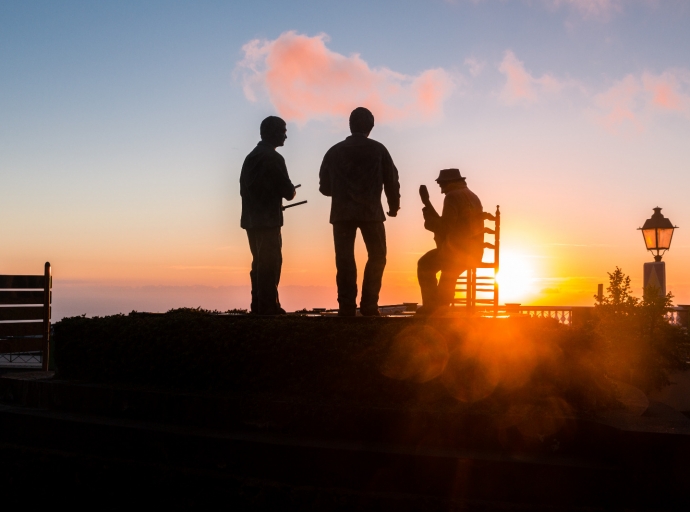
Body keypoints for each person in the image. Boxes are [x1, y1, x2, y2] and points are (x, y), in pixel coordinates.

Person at [319, 107, 401, 316]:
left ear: (350, 125)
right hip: (371, 213)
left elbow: (325, 188)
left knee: (344, 259)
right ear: (370, 127)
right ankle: (369, 304)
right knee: (377, 256)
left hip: (342, 214)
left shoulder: (334, 151)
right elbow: (392, 180)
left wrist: (342, 191)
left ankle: (346, 306)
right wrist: (393, 205)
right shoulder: (378, 150)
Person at [240, 116, 297, 315]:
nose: (286, 136)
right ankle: (269, 307)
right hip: (269, 221)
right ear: (273, 132)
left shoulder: (250, 157)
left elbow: (245, 190)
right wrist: (291, 190)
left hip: (251, 220)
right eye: (283, 131)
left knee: (258, 262)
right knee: (271, 263)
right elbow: (288, 192)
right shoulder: (274, 158)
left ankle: (258, 305)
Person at [416, 168, 484, 314]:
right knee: (444, 270)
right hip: (474, 251)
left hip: (457, 252)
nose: (441, 191)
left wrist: (428, 216)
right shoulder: (473, 196)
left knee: (424, 264)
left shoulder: (452, 197)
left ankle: (433, 306)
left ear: (450, 183)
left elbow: (445, 228)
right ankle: (439, 305)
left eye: (442, 186)